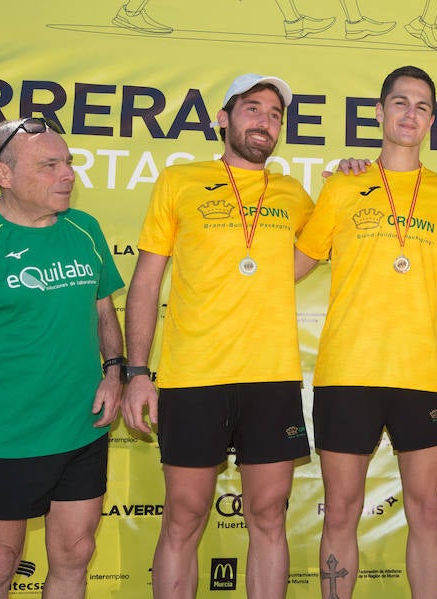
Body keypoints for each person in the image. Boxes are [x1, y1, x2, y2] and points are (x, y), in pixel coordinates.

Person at [294, 65, 437, 599]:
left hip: (419, 376)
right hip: (347, 373)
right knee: (342, 511)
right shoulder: (343, 186)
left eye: (422, 107)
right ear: (379, 113)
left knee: (427, 511)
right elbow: (293, 265)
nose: (411, 114)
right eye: (401, 103)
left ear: (431, 121)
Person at [121, 73, 313, 599]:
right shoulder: (179, 182)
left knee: (269, 515)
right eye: (253, 109)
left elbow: (318, 248)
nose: (265, 121)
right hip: (193, 376)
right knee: (183, 516)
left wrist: (350, 173)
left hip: (271, 377)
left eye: (275, 114)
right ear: (223, 118)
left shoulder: (296, 195)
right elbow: (145, 282)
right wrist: (137, 372)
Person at [0, 117, 125, 598]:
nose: (67, 175)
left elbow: (104, 309)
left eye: (67, 162)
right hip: (2, 434)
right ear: (1, 175)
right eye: (49, 165)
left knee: (75, 553)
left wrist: (114, 373)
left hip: (79, 426)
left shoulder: (84, 228)